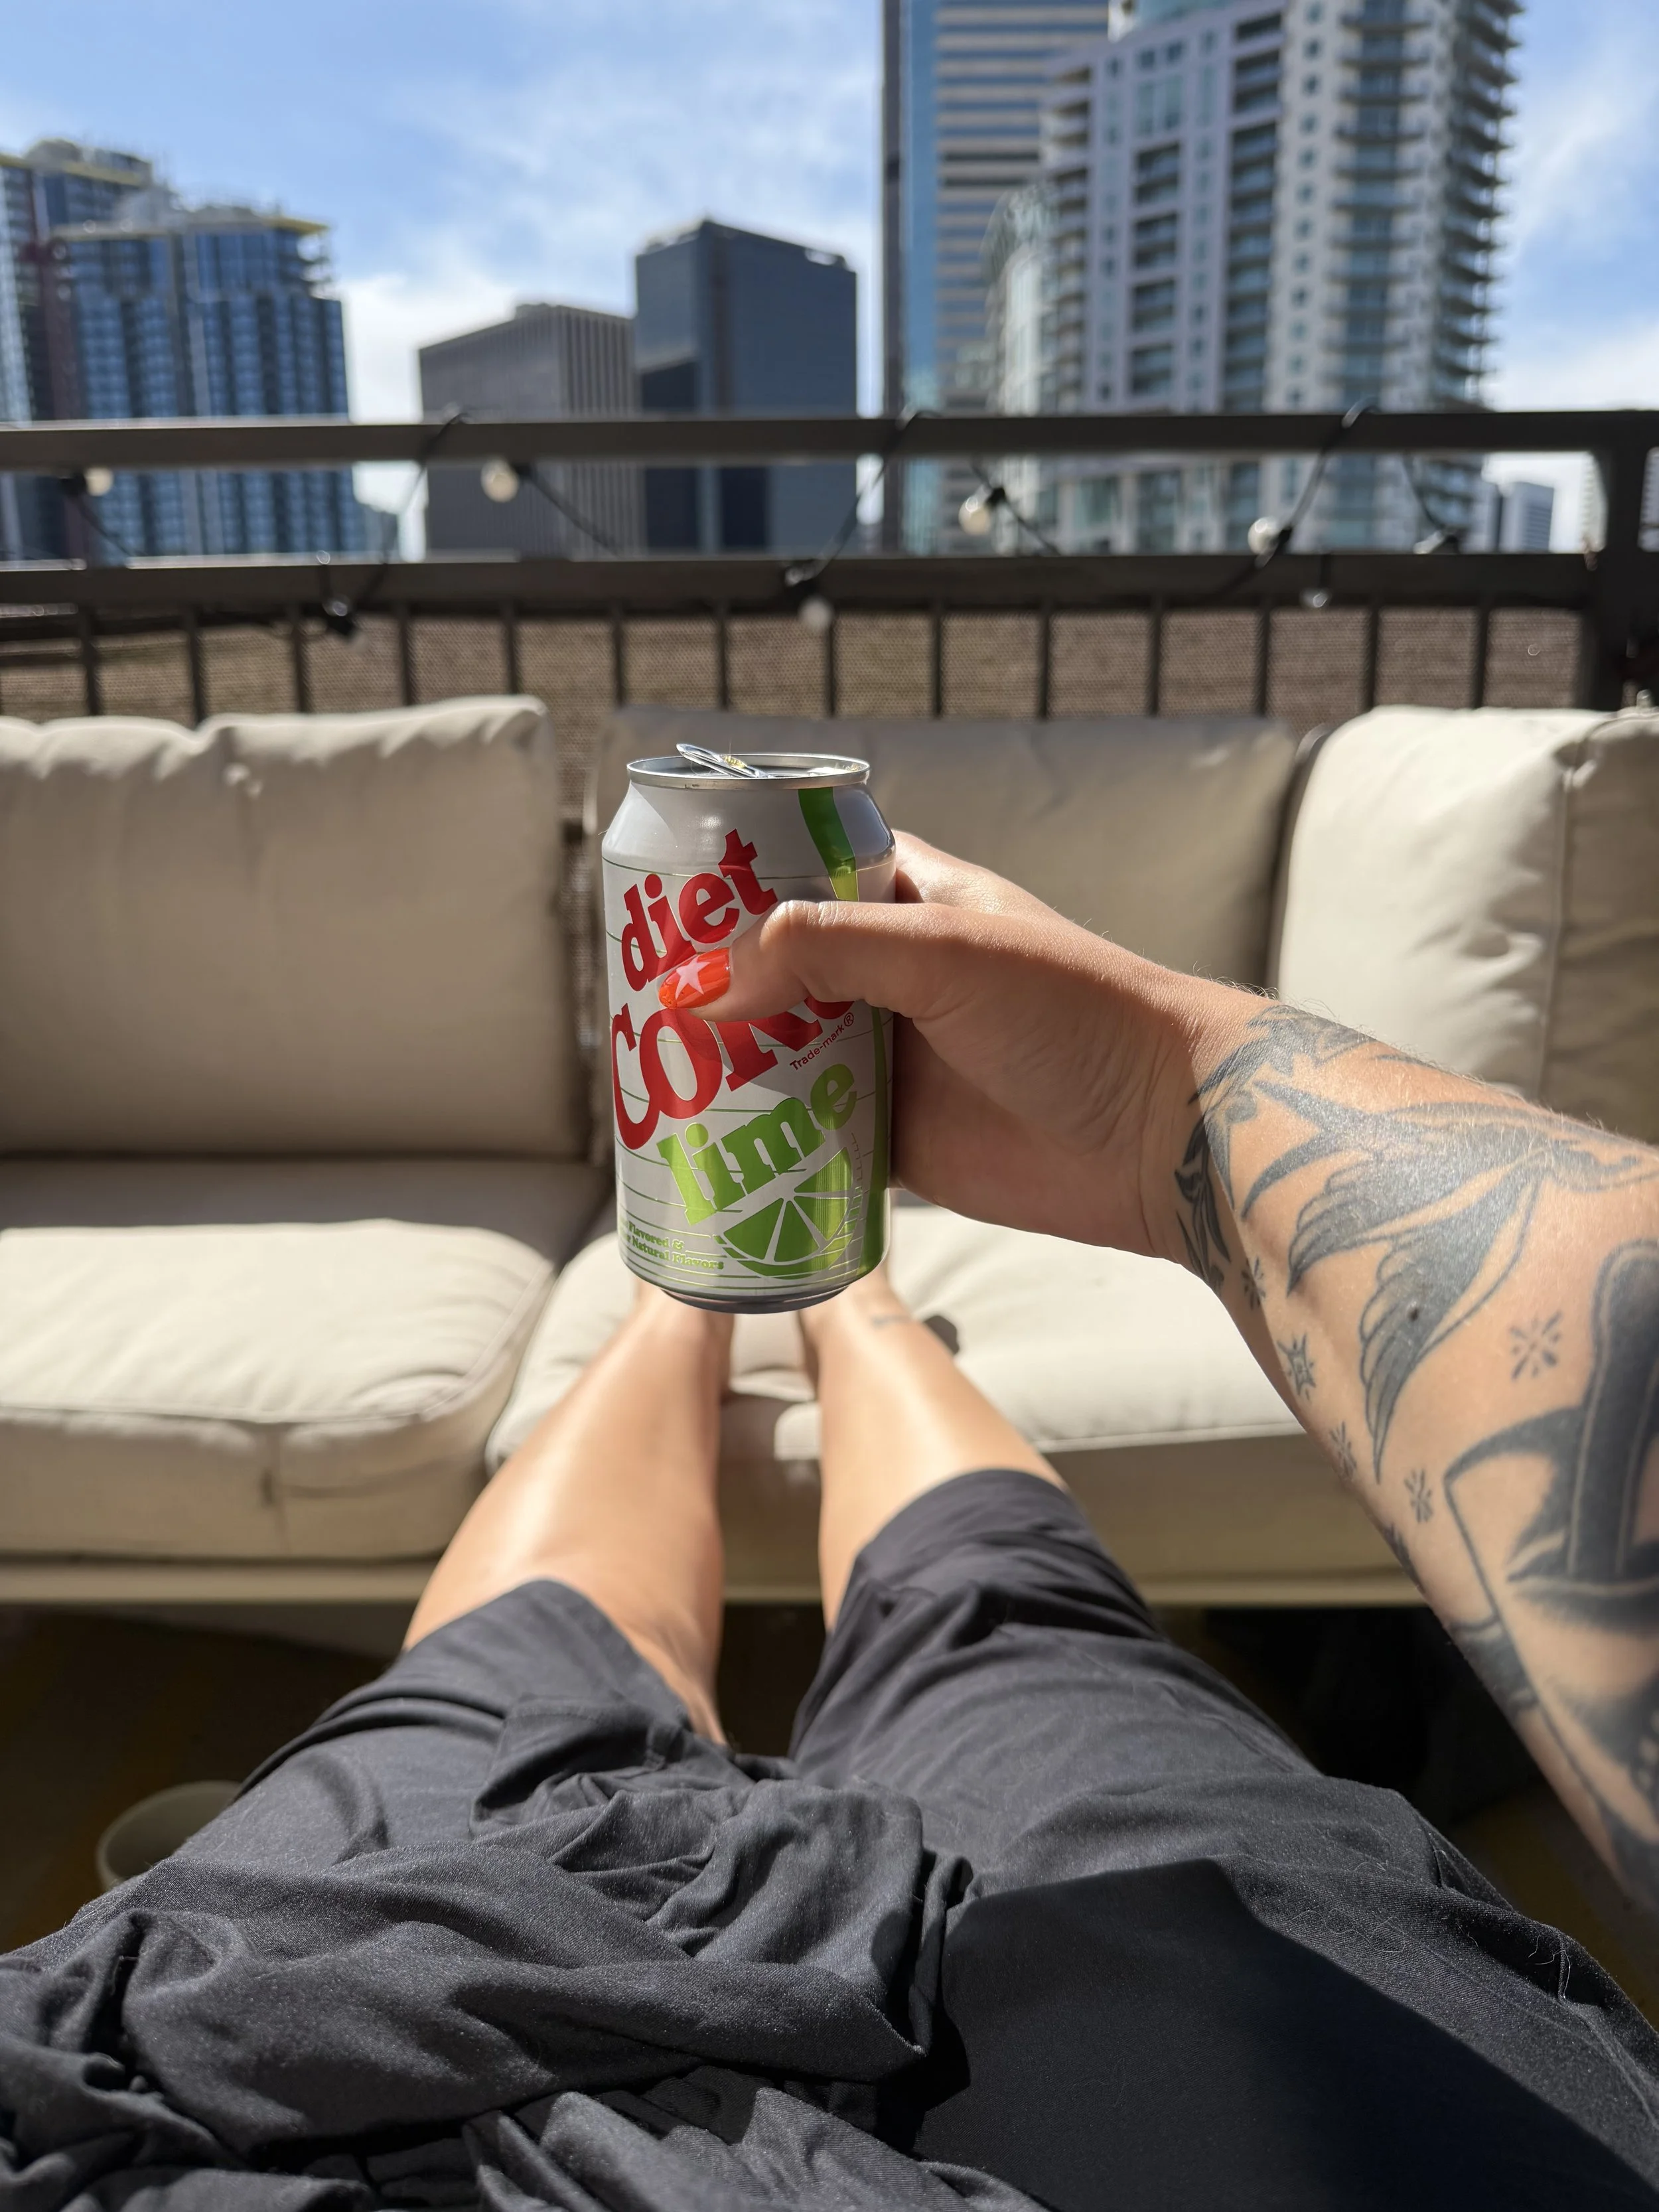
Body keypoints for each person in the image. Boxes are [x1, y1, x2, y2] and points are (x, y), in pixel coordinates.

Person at [3, 836, 1658, 2210]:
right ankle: (830, 1303)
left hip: (262, 2052)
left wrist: (1165, 1097)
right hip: (1239, 2061)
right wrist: (1163, 1096)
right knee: (999, 1618)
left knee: (508, 1666)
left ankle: (725, 1301)